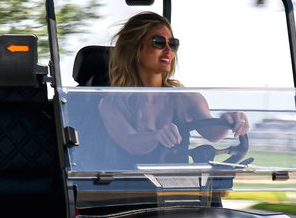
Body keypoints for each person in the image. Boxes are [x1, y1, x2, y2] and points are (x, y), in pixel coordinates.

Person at [99, 11, 249, 162]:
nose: (168, 50)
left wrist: (229, 121)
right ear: (134, 48)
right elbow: (131, 143)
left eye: (172, 44)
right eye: (158, 42)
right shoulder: (112, 104)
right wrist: (156, 136)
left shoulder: (186, 98)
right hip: (130, 177)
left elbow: (213, 134)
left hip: (177, 177)